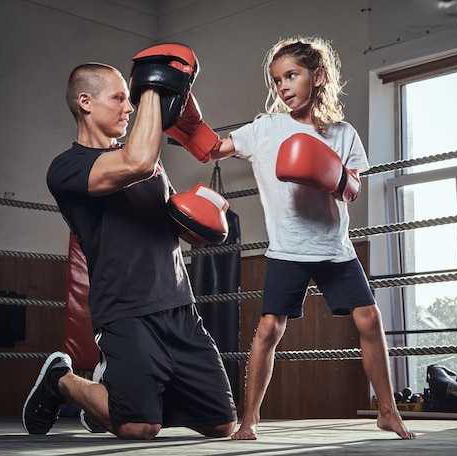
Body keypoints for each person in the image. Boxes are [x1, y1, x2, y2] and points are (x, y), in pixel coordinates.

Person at [22, 44, 237, 440]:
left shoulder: (152, 167)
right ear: (85, 102)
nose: (129, 107)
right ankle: (62, 380)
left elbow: (166, 217)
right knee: (138, 427)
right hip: (126, 309)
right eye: (120, 97)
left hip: (178, 305)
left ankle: (111, 401)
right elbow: (133, 163)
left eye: (131, 97)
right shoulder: (67, 168)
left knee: (221, 423)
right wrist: (153, 85)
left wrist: (200, 221)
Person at [211, 36, 416, 441]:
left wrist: (329, 173)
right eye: (277, 81)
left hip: (334, 248)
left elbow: (353, 188)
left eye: (292, 75)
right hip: (288, 249)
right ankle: (249, 419)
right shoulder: (266, 128)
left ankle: (388, 412)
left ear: (317, 76)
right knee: (269, 328)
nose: (283, 87)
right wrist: (181, 121)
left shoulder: (343, 134)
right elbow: (217, 148)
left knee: (370, 320)